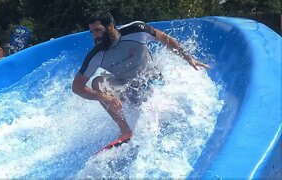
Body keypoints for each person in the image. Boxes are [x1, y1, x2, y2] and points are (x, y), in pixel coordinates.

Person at [72, 11, 210, 140]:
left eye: (97, 30)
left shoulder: (136, 31)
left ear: (110, 26)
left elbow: (164, 38)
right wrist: (102, 96)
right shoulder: (96, 55)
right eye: (91, 32)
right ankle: (126, 132)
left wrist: (187, 57)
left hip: (153, 82)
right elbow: (77, 87)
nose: (94, 36)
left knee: (153, 110)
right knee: (98, 82)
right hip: (127, 89)